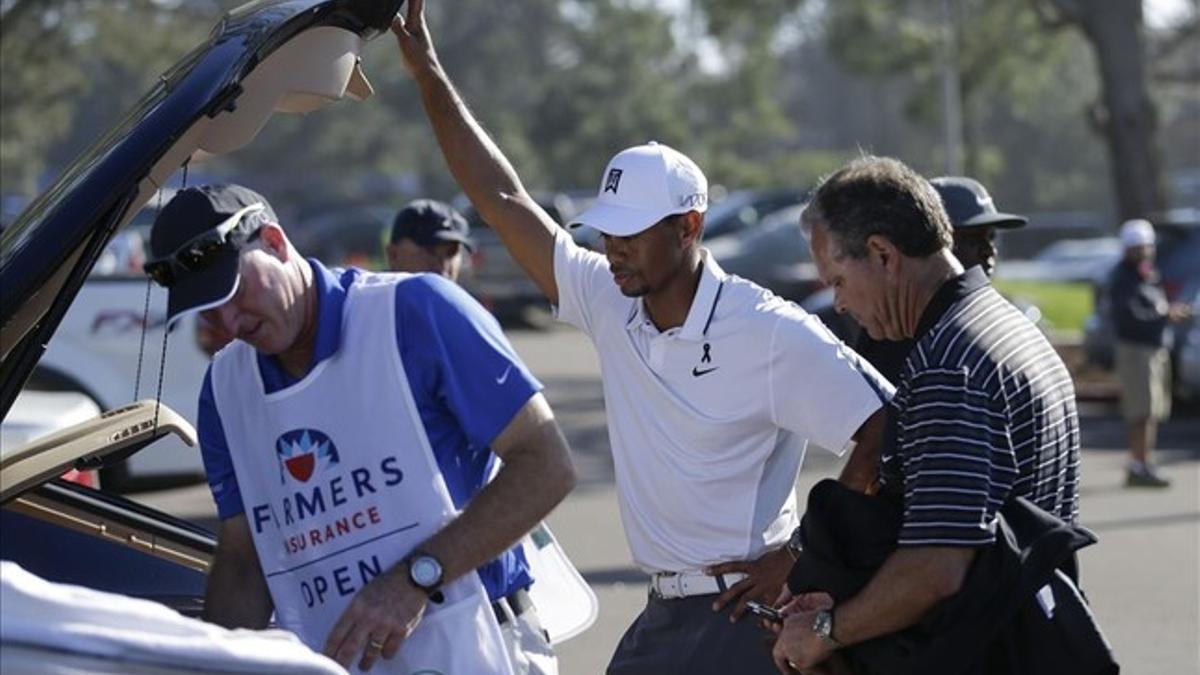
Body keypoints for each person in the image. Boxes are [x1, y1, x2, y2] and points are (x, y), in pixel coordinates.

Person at [391, 3, 894, 673]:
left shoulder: (767, 329)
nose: (613, 247)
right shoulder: (607, 296)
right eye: (607, 229)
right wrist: (427, 70)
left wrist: (801, 555)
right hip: (663, 614)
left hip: (743, 617)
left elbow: (889, 426)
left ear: (688, 226)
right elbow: (503, 199)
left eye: (632, 231)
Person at [144, 183, 576, 674]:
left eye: (235, 290)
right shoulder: (225, 390)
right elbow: (244, 560)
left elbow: (547, 465)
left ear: (275, 241)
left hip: (478, 643)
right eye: (208, 308)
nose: (229, 320)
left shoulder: (417, 312)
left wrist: (414, 580)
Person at [774, 156, 1086, 672]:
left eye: (838, 281)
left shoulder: (948, 365)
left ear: (882, 255)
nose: (841, 303)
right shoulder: (1007, 327)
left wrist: (827, 631)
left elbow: (938, 565)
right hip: (1034, 640)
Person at [849, 175, 1028, 382]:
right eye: (971, 238)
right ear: (933, 241)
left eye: (990, 237)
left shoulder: (996, 319)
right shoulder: (896, 329)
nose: (988, 250)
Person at [1110, 218, 1191, 488]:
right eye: (1139, 247)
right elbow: (1130, 315)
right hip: (1136, 350)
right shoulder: (1122, 277)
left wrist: (1168, 311)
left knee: (1152, 411)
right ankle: (1137, 465)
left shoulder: (1148, 274)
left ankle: (1145, 462)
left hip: (1154, 349)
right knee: (1140, 411)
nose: (1144, 251)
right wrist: (1164, 314)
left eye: (1146, 246)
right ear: (1128, 248)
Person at [386, 198, 474, 281]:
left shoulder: (459, 297)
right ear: (393, 255)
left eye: (451, 252)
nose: (442, 265)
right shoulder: (374, 296)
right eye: (430, 251)